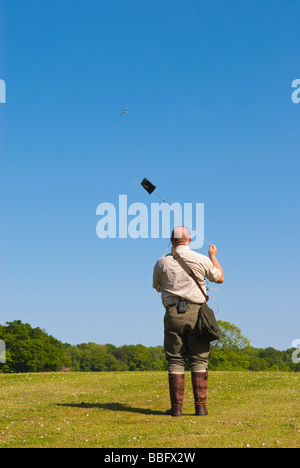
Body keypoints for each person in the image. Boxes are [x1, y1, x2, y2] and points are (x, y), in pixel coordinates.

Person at [153, 226, 224, 417]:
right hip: (197, 314)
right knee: (199, 358)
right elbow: (220, 278)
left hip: (173, 315)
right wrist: (213, 256)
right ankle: (200, 408)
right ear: (190, 240)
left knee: (175, 359)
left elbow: (157, 288)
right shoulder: (201, 259)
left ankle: (176, 409)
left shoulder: (161, 262)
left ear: (171, 240)